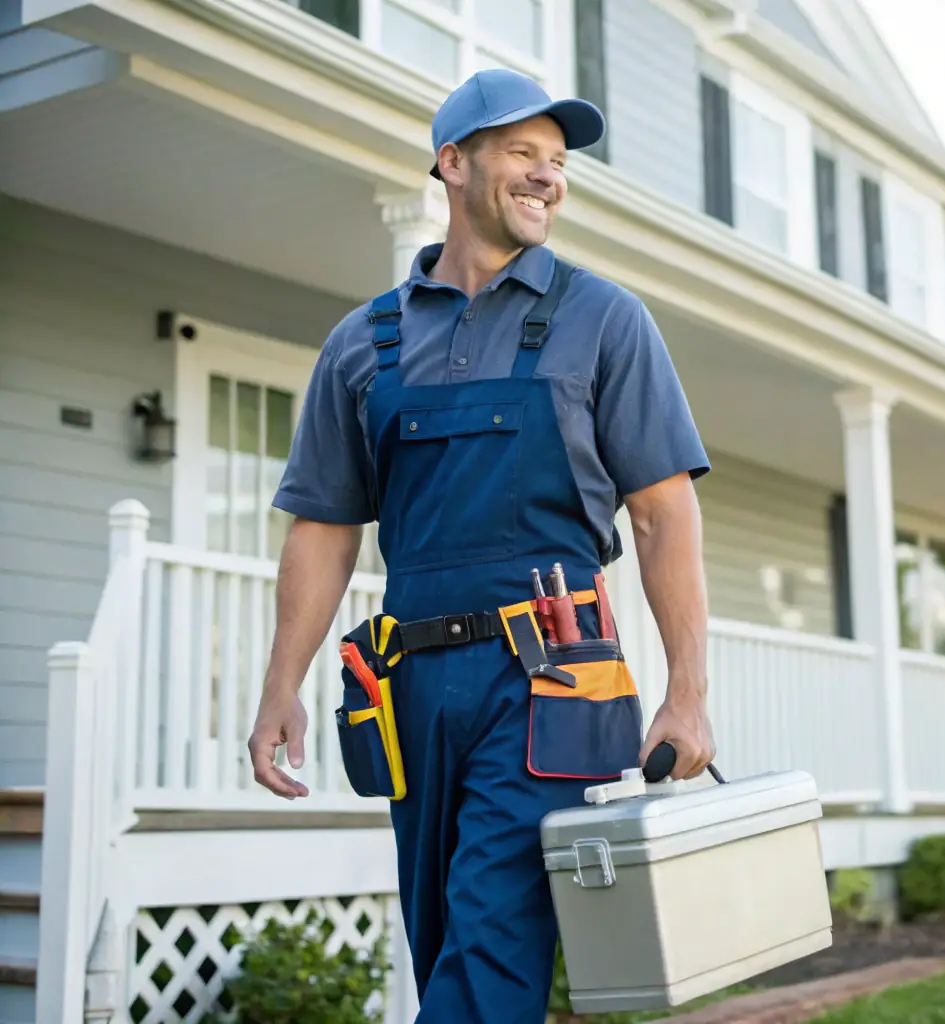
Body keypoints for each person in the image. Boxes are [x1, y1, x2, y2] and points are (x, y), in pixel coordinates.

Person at [246, 68, 715, 1022]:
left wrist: (688, 692)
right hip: (406, 681)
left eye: (557, 161)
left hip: (553, 673)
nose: (548, 177)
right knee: (442, 939)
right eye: (522, 154)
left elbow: (664, 516)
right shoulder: (363, 343)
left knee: (493, 935)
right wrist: (279, 686)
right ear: (452, 164)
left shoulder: (604, 319)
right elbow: (325, 529)